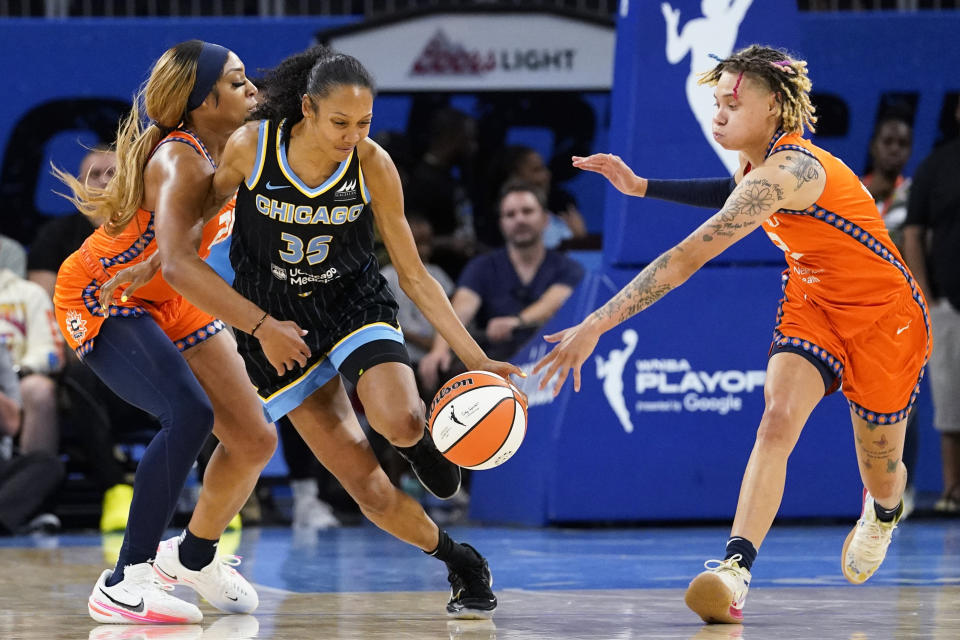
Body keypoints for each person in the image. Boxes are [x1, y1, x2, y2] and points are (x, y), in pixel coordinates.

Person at [534, 45, 929, 624]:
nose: (717, 114)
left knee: (881, 469)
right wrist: (642, 186)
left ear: (775, 109)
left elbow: (686, 256)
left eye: (731, 103)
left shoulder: (795, 169)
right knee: (777, 417)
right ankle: (734, 570)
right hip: (813, 302)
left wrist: (595, 323)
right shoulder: (757, 168)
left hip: (886, 319)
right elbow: (735, 196)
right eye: (715, 102)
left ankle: (884, 512)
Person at [179, 46, 523, 618]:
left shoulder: (372, 163)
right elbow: (195, 222)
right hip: (274, 320)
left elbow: (413, 274)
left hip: (351, 303)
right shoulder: (253, 147)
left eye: (363, 123)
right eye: (340, 122)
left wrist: (477, 359)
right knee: (366, 487)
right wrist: (153, 262)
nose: (352, 135)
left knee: (398, 418)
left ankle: (420, 441)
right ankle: (460, 560)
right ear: (308, 110)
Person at [53, 40, 292, 624]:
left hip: (169, 296)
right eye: (238, 83)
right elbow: (183, 258)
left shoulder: (231, 150)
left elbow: (183, 243)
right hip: (105, 293)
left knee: (256, 439)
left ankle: (193, 556)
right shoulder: (178, 156)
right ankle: (123, 581)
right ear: (203, 100)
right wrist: (263, 326)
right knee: (188, 414)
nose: (253, 91)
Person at [30, 147, 161, 533]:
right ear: (79, 185)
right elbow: (46, 309)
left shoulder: (153, 228)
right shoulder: (56, 237)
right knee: (79, 372)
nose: (103, 181)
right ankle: (114, 489)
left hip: (154, 357)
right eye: (93, 174)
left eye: (111, 172)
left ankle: (214, 495)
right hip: (94, 361)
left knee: (203, 363)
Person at [420, 182, 585, 390]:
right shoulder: (482, 267)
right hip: (495, 364)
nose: (520, 219)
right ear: (501, 223)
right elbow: (460, 310)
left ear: (545, 219)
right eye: (510, 214)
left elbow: (553, 302)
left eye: (527, 211)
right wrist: (439, 350)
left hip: (550, 360)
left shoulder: (568, 267)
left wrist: (517, 321)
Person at [903, 99, 960, 515]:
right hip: (948, 305)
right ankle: (952, 491)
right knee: (950, 400)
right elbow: (914, 232)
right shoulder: (935, 167)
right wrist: (926, 294)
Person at [499, 145, 587, 249]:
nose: (546, 175)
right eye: (536, 170)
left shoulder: (562, 212)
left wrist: (578, 241)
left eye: (528, 212)